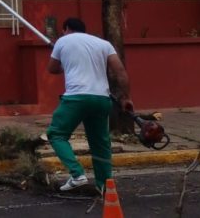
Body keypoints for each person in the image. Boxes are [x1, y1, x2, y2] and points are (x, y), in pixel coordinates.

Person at [46, 17, 134, 192]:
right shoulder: (103, 44)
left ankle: (77, 174)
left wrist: (65, 61)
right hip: (101, 99)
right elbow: (120, 72)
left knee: (56, 134)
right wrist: (126, 98)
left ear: (66, 29)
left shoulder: (62, 41)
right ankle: (105, 185)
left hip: (76, 98)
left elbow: (52, 69)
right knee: (100, 144)